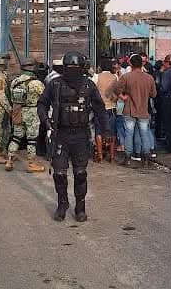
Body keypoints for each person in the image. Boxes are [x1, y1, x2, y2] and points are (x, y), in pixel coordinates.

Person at [37, 51, 108, 222]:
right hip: (60, 134)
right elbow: (42, 104)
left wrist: (105, 131)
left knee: (80, 173)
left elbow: (100, 108)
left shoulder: (88, 85)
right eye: (69, 67)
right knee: (59, 174)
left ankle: (80, 207)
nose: (72, 71)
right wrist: (46, 121)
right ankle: (62, 204)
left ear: (82, 68)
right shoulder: (55, 84)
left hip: (81, 136)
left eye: (75, 68)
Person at [107, 54, 157, 167]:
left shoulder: (126, 77)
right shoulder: (149, 78)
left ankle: (128, 158)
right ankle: (146, 158)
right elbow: (153, 94)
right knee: (144, 133)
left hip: (129, 109)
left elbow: (115, 88)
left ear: (131, 64)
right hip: (143, 109)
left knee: (128, 134)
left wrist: (122, 97)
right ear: (141, 64)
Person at [6, 57, 46, 173]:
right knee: (32, 139)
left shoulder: (14, 81)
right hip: (32, 113)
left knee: (16, 137)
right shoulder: (36, 83)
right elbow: (45, 97)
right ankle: (31, 164)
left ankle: (9, 160)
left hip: (18, 111)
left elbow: (10, 96)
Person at [95, 58, 118, 162]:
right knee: (112, 132)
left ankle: (100, 155)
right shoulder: (115, 77)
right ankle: (112, 156)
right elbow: (117, 91)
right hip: (111, 107)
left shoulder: (96, 77)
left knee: (99, 131)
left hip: (100, 108)